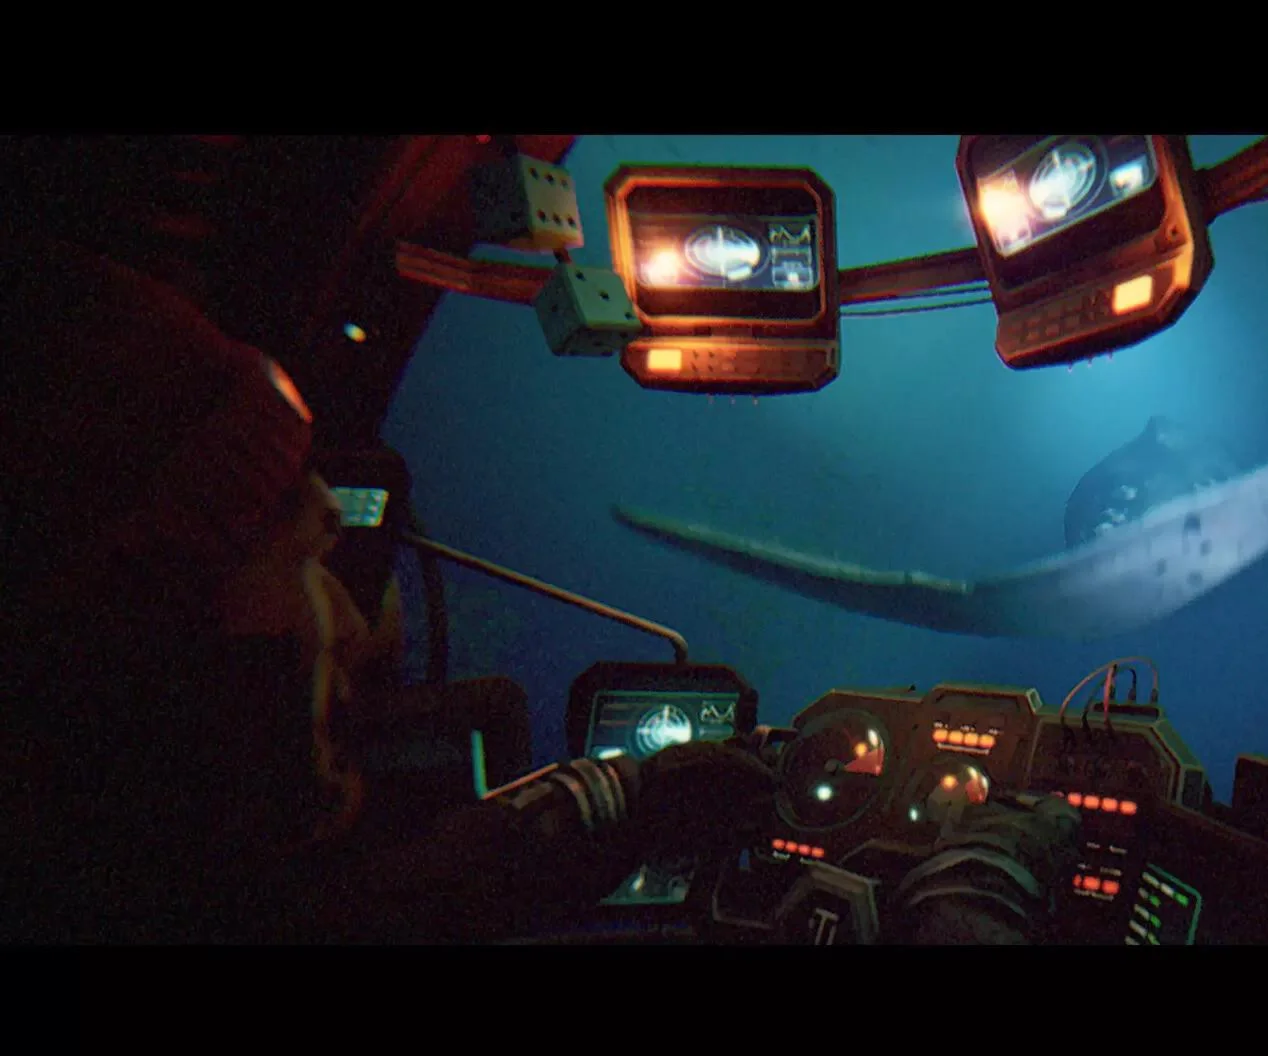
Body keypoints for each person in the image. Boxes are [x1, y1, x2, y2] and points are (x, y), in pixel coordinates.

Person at [0, 216, 1080, 944]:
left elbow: (381, 912)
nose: (362, 627)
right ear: (137, 635)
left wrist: (633, 798)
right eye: (301, 560)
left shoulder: (135, 881)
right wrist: (975, 892)